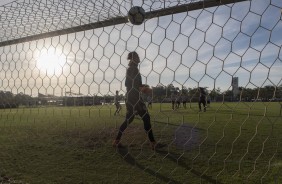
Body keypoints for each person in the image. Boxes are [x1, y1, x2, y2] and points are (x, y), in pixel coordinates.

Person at [113, 51, 157, 150]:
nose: (139, 58)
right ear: (132, 58)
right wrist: (144, 89)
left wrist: (144, 88)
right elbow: (128, 84)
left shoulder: (133, 69)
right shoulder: (133, 69)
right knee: (146, 117)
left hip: (131, 97)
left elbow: (133, 85)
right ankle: (153, 142)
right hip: (134, 98)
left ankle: (116, 141)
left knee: (129, 119)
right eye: (137, 56)